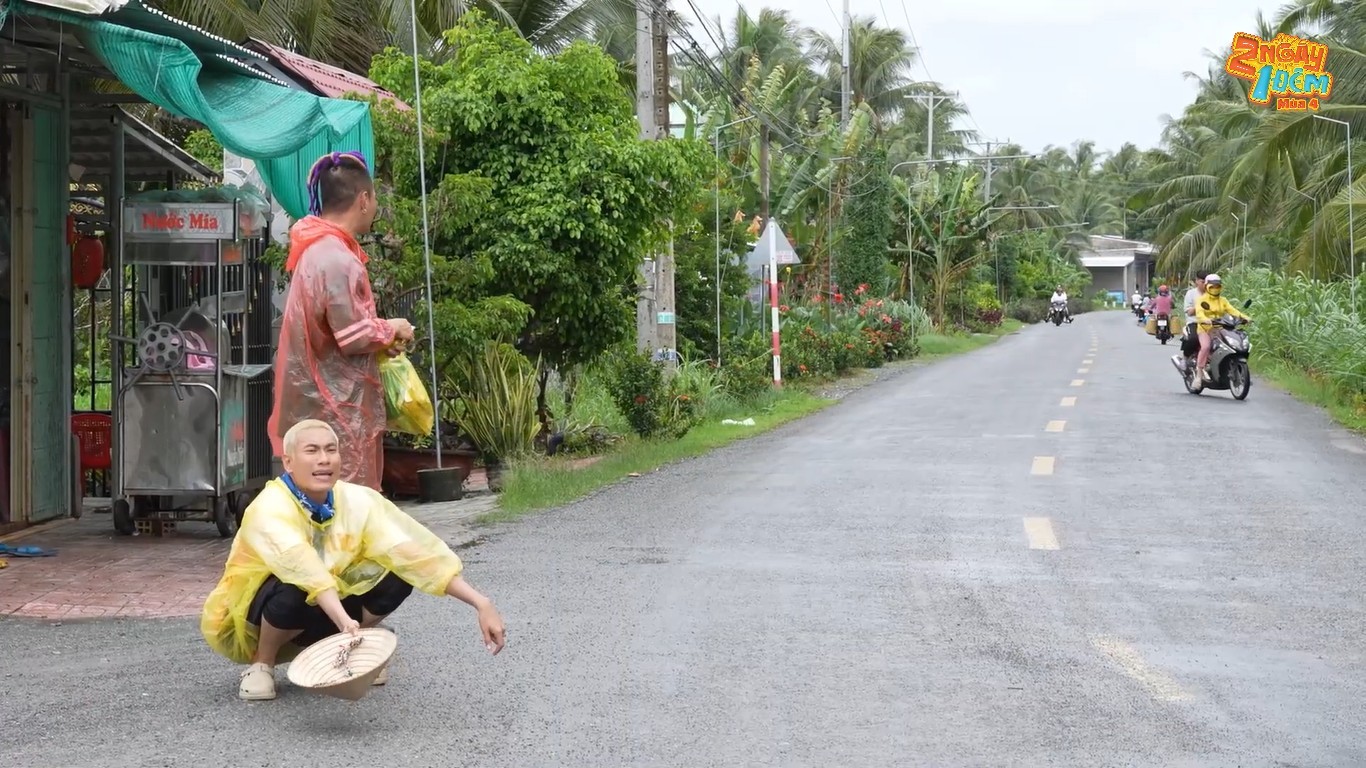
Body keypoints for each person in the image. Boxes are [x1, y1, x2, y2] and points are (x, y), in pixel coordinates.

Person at [200, 419, 506, 701]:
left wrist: (481, 603)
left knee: (399, 572)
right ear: (289, 462)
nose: (324, 459)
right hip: (260, 612)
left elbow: (414, 553)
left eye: (331, 450)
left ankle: (353, 647)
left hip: (330, 604)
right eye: (312, 451)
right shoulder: (270, 505)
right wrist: (344, 621)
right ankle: (261, 665)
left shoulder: (357, 500)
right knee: (294, 585)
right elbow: (302, 566)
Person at [267, 151, 415, 491]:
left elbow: (334, 330)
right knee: (345, 507)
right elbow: (351, 336)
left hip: (325, 406)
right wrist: (393, 327)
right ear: (363, 200)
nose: (375, 206)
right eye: (374, 198)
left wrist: (381, 343)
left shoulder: (320, 249)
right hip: (335, 412)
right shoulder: (335, 257)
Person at [1191, 273, 1251, 386]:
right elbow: (1199, 313)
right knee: (1206, 347)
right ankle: (1198, 376)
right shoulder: (1201, 300)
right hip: (1205, 328)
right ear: (1206, 287)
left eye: (1217, 286)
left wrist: (1244, 317)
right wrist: (1205, 319)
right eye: (1212, 286)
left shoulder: (1223, 300)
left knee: (1233, 343)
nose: (1215, 289)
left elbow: (1232, 310)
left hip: (1221, 328)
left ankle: (1236, 371)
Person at [1173, 270, 1209, 368]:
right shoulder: (1191, 294)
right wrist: (1201, 306)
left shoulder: (1212, 293)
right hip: (1195, 322)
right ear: (1197, 281)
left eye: (1207, 282)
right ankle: (1185, 358)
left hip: (1210, 323)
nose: (1205, 285)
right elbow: (1189, 312)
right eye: (1203, 282)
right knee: (1193, 339)